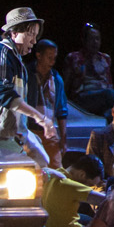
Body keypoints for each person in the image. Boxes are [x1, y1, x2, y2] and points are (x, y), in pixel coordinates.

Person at [0, 7, 58, 166]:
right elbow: (6, 95)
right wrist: (41, 118)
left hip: (8, 134)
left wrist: (24, 132)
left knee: (42, 161)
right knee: (30, 168)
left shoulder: (16, 60)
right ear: (14, 33)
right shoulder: (2, 54)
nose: (34, 41)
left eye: (35, 35)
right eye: (30, 34)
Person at [43, 154, 107, 227]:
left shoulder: (55, 174)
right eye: (90, 185)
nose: (89, 187)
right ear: (82, 174)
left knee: (87, 219)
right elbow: (106, 201)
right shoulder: (69, 185)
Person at [66, 23, 114, 118]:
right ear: (84, 40)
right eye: (91, 39)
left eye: (97, 39)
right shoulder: (74, 58)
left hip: (102, 98)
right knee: (108, 94)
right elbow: (66, 83)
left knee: (111, 113)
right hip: (82, 98)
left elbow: (109, 83)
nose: (95, 42)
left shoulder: (105, 58)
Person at [30, 39, 69, 168]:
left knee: (56, 167)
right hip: (30, 131)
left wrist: (63, 138)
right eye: (49, 57)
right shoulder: (27, 75)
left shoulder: (56, 79)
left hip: (49, 132)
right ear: (39, 55)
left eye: (54, 58)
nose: (52, 62)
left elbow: (61, 111)